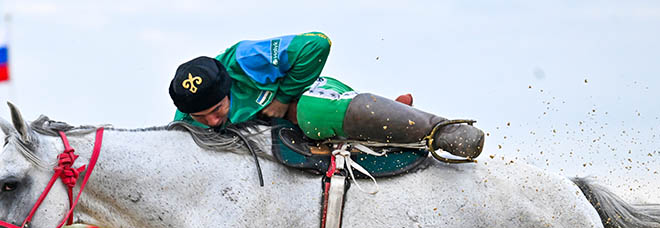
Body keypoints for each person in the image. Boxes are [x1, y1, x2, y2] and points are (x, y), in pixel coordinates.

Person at [168, 32, 484, 160]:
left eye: (217, 108)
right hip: (270, 140)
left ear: (227, 88)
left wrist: (282, 97)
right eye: (201, 117)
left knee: (305, 112)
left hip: (308, 97)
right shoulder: (185, 120)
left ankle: (441, 130)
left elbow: (317, 43)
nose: (212, 120)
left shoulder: (245, 59)